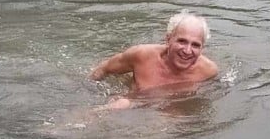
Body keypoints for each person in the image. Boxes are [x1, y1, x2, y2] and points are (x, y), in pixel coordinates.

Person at [90, 12, 219, 107]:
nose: (187, 51)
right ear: (168, 40)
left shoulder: (209, 71)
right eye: (182, 41)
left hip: (171, 112)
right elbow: (104, 68)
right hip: (133, 103)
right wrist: (90, 89)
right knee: (120, 105)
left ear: (202, 48)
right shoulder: (141, 55)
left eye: (195, 45)